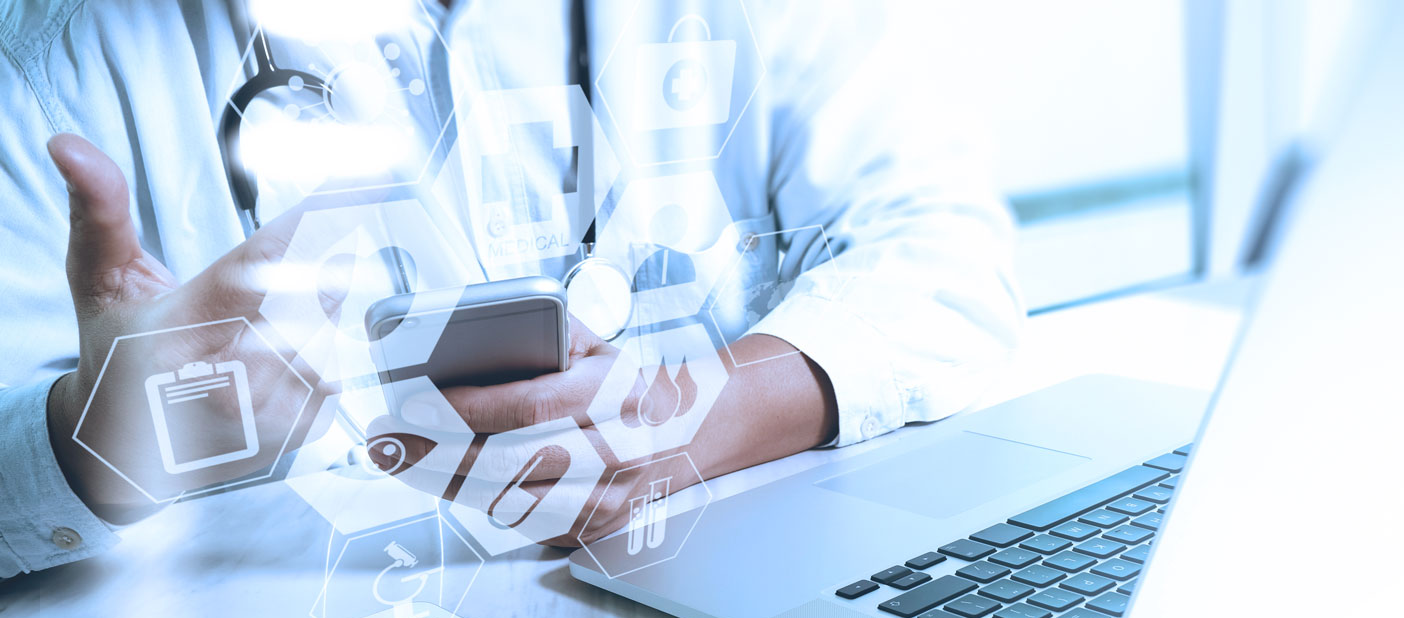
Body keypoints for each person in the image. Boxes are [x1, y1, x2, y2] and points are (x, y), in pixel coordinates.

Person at [0, 0, 1022, 580]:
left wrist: (707, 415)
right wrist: (100, 444)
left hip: (727, 606)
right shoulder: (44, 69)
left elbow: (946, 242)